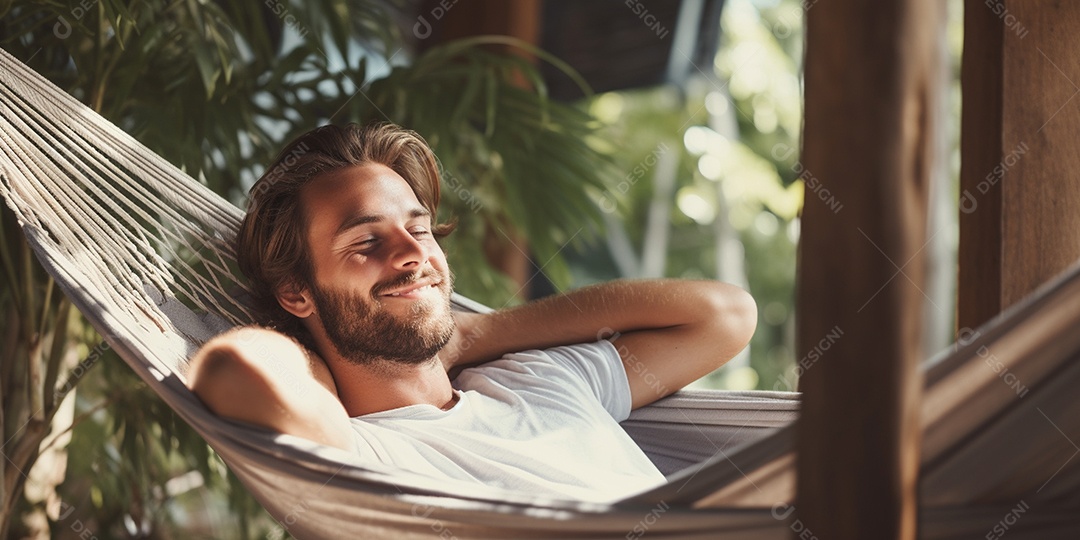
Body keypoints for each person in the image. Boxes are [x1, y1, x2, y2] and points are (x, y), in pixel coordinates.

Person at [186, 122, 757, 503]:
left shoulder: (541, 380)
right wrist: (316, 353)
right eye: (365, 242)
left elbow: (725, 315)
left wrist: (477, 333)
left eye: (418, 228)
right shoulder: (361, 456)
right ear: (296, 293)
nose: (414, 254)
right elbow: (232, 371)